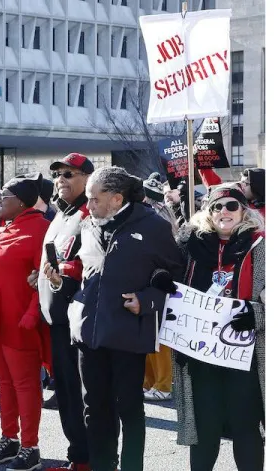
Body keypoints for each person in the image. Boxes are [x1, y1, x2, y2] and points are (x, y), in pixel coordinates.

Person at [72, 166, 183, 471]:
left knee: (128, 409)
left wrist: (148, 300)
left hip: (128, 333)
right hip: (89, 333)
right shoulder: (87, 225)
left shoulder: (153, 226)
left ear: (117, 199)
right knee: (95, 408)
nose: (89, 205)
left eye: (95, 199)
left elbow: (178, 276)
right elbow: (85, 272)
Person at [172, 185, 265, 471]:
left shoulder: (261, 247)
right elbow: (167, 280)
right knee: (205, 430)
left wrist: (256, 314)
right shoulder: (188, 246)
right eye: (217, 206)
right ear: (208, 212)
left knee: (245, 428)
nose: (224, 211)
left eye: (231, 206)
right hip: (201, 356)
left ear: (244, 211)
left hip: (245, 356)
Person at [0, 177, 51, 471]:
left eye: (4, 195)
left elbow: (42, 277)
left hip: (19, 322)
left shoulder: (40, 229)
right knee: (4, 383)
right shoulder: (3, 228)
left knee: (25, 384)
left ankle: (31, 446)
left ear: (20, 201)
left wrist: (32, 315)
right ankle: (10, 438)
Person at [35, 153, 94, 471]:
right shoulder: (61, 215)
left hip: (81, 321)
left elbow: (97, 261)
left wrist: (65, 272)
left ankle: (93, 461)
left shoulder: (92, 212)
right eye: (58, 175)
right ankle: (78, 459)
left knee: (85, 397)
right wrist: (40, 275)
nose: (61, 180)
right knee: (67, 394)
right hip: (57, 320)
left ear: (87, 178)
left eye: (69, 174)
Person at [140, 173, 178, 403]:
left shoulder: (157, 214)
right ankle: (150, 381)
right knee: (148, 334)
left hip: (158, 279)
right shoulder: (153, 212)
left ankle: (163, 383)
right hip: (146, 278)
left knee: (158, 336)